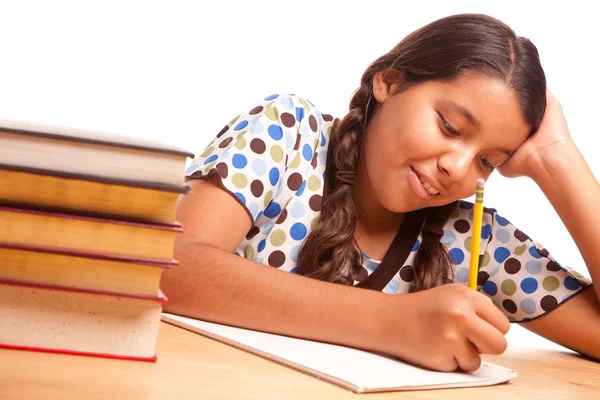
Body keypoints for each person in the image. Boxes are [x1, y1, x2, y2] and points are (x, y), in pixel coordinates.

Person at [161, 13, 600, 372]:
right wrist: (391, 322)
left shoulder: (469, 237)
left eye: (488, 161)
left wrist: (558, 161)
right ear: (389, 82)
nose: (458, 167)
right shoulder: (289, 133)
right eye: (449, 126)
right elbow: (170, 266)